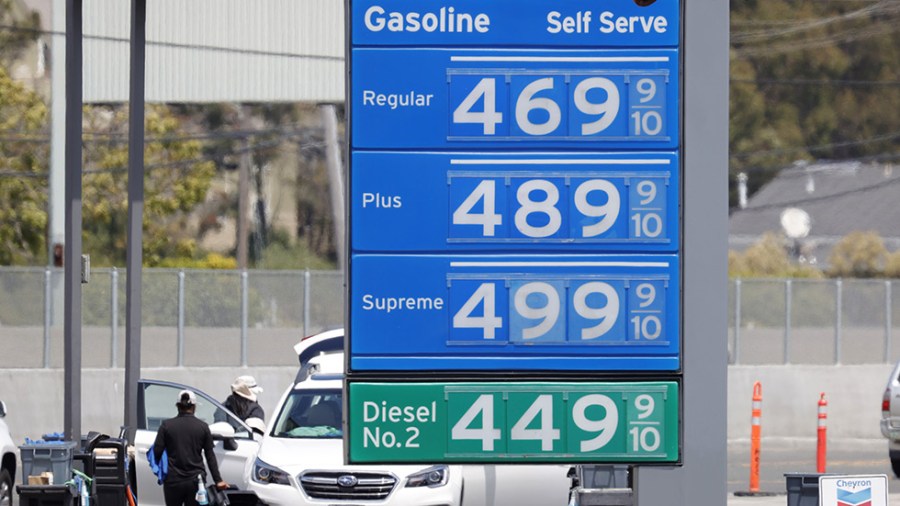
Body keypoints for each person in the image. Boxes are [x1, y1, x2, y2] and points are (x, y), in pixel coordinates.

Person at [153, 390, 228, 506]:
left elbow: (157, 452)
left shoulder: (166, 426)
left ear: (177, 406)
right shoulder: (203, 427)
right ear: (194, 406)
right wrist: (218, 480)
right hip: (196, 481)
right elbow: (210, 456)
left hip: (173, 480)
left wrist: (162, 469)